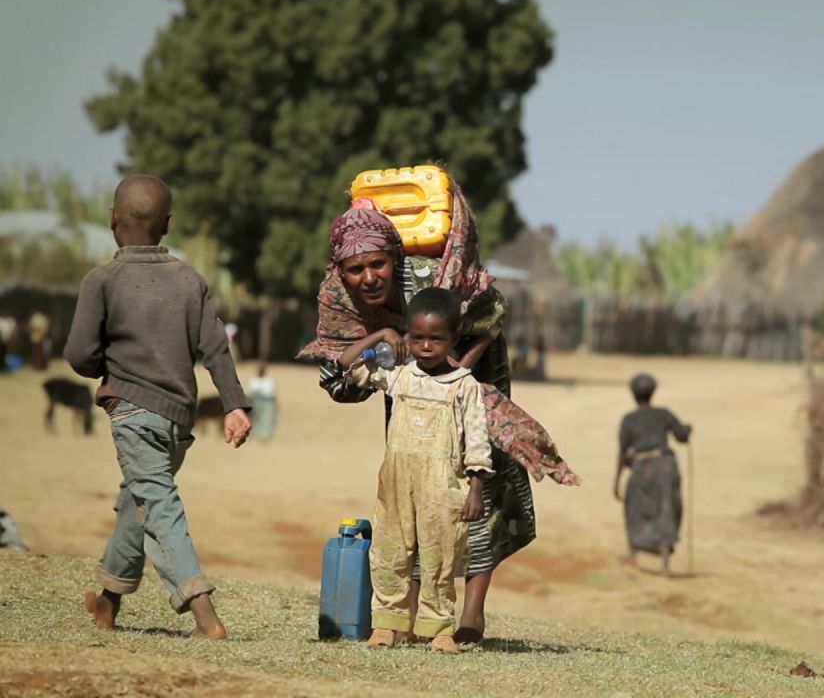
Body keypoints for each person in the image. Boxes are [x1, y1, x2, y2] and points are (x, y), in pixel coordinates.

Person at [298, 195, 578, 646]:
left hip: (470, 363)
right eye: (355, 269)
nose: (368, 278)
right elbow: (338, 382)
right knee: (414, 493)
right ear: (340, 271)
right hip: (403, 376)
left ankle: (470, 614)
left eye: (378, 264)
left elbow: (491, 311)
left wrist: (455, 376)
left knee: (482, 484)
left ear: (395, 257)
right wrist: (382, 338)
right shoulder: (337, 297)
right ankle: (403, 617)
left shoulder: (428, 279)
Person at [63, 175, 253, 639]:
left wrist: (109, 366)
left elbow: (78, 355)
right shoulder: (191, 280)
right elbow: (216, 348)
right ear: (167, 225)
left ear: (112, 220)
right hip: (178, 420)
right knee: (140, 500)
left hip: (131, 412)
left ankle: (204, 614)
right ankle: (108, 601)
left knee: (158, 504)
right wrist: (235, 404)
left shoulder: (102, 280)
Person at [337, 288, 491, 653]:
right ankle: (387, 625)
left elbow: (478, 441)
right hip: (395, 479)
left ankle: (437, 629)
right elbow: (346, 363)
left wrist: (475, 489)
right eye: (417, 337)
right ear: (406, 335)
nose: (425, 346)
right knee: (390, 550)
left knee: (440, 555)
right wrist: (379, 336)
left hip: (443, 485)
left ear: (454, 338)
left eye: (436, 339)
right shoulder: (399, 377)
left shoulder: (465, 386)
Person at [614, 373, 691, 577]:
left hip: (641, 466)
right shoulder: (664, 413)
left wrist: (617, 481)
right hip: (665, 465)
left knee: (634, 507)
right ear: (653, 392)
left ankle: (633, 552)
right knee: (666, 508)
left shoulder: (628, 420)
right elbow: (681, 436)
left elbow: (622, 452)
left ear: (633, 394)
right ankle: (665, 565)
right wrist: (687, 430)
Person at [249, 363, 277, 441]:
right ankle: (255, 436)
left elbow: (272, 394)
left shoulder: (268, 380)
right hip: (256, 402)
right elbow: (251, 393)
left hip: (267, 402)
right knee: (256, 419)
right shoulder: (254, 380)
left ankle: (264, 436)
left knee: (266, 420)